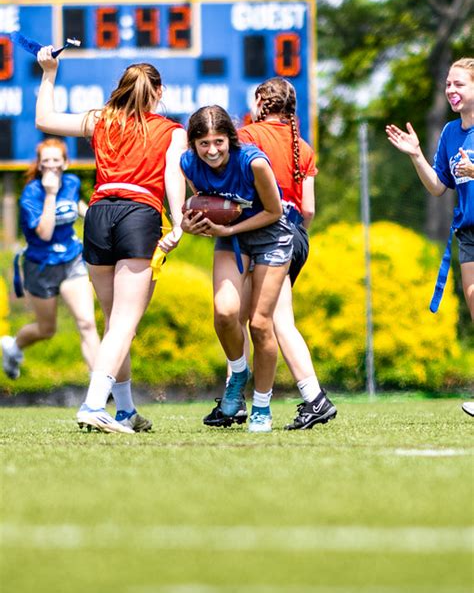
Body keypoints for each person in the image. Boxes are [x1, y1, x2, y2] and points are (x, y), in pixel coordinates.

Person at [35, 47, 187, 434]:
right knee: (124, 323)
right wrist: (179, 222)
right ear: (158, 92)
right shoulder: (173, 131)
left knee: (114, 324)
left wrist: (49, 73)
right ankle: (92, 404)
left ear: (120, 89)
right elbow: (173, 177)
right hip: (139, 214)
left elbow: (44, 119)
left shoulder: (101, 119)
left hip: (100, 215)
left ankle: (125, 410)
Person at [203, 77, 337, 430]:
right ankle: (235, 402)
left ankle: (314, 398)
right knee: (244, 316)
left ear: (261, 101)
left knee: (271, 321)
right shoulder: (302, 146)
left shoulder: (248, 136)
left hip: (261, 232)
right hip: (293, 233)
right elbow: (307, 208)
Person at [180, 105, 294, 432]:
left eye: (218, 142)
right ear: (193, 145)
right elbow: (203, 205)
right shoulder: (188, 163)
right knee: (225, 312)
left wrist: (229, 230)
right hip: (231, 238)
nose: (212, 150)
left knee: (259, 324)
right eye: (204, 144)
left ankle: (261, 405)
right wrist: (191, 224)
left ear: (230, 139)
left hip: (271, 236)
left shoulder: (253, 162)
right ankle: (238, 372)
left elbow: (274, 212)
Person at [386, 57, 474, 418]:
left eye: (460, 84)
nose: (451, 91)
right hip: (468, 233)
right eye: (448, 85)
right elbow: (439, 187)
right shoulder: (452, 133)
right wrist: (416, 155)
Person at [1, 138, 100, 381]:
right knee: (46, 329)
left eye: (57, 160)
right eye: (46, 162)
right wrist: (50, 194)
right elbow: (44, 233)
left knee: (87, 323)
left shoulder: (72, 182)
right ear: (40, 165)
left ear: (65, 163)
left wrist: (90, 214)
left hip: (71, 261)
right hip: (41, 266)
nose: (52, 166)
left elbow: (74, 202)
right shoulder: (31, 195)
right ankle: (13, 347)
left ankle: (100, 387)